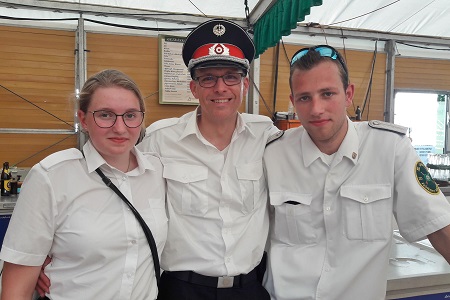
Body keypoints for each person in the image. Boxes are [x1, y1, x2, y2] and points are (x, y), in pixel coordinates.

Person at [262, 44, 450, 299]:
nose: (316, 109)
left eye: (327, 94)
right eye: (305, 97)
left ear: (348, 94)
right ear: (293, 102)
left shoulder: (389, 147)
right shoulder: (273, 154)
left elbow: (439, 227)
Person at [138, 19, 280, 300]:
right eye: (208, 78)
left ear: (245, 84)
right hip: (182, 290)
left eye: (230, 76)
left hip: (249, 289)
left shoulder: (266, 137)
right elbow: (125, 200)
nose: (220, 88)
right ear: (194, 88)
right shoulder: (160, 140)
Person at [0, 69, 167, 300]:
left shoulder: (158, 172)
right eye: (105, 115)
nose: (120, 128)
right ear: (83, 119)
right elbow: (16, 286)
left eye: (130, 115)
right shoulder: (51, 177)